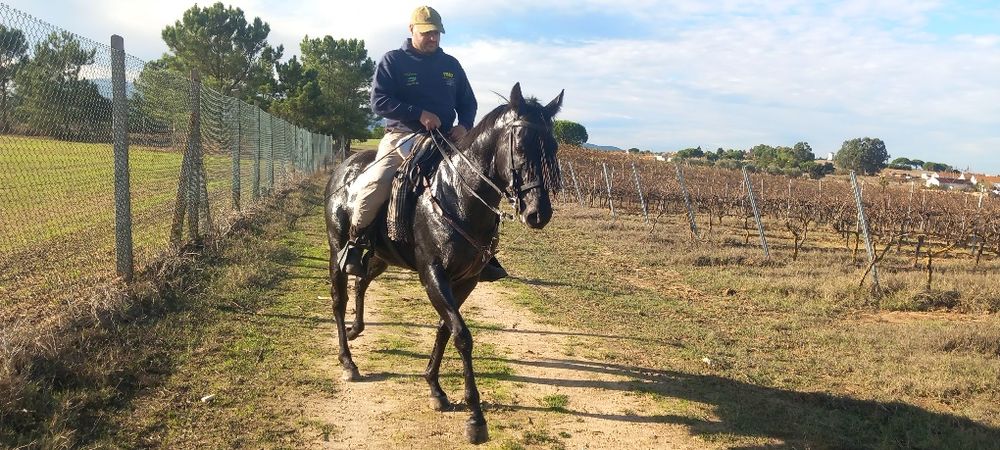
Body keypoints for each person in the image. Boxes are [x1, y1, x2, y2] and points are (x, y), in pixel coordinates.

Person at [343, 5, 508, 282]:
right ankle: (356, 242)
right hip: (403, 136)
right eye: (427, 33)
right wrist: (417, 114)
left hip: (446, 139)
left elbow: (468, 102)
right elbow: (379, 100)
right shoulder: (393, 61)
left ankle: (482, 254)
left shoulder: (451, 66)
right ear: (411, 30)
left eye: (437, 34)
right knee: (379, 180)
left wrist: (464, 126)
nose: (433, 39)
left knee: (475, 182)